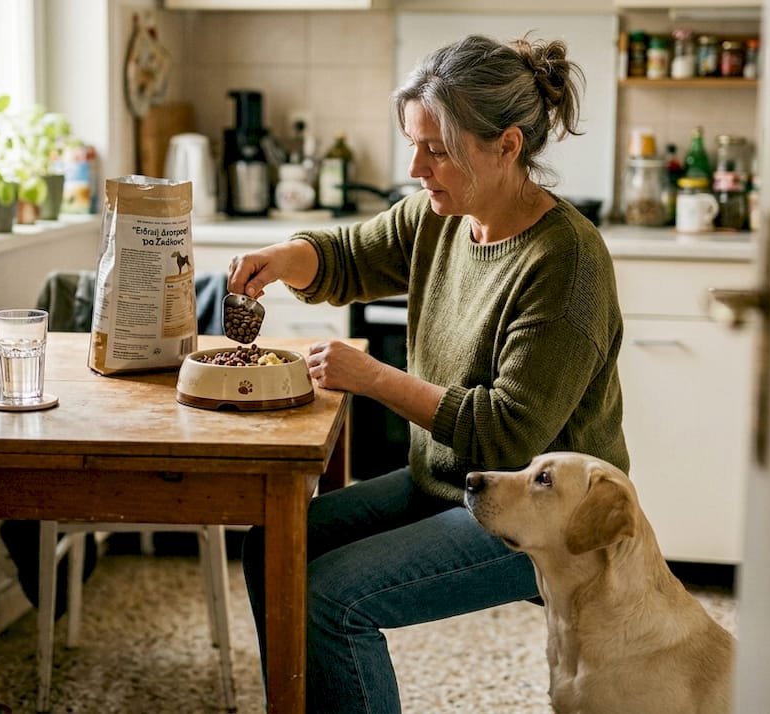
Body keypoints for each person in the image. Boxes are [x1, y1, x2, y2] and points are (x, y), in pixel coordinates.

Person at [228, 34, 630, 712]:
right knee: (273, 546)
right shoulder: (443, 216)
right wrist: (282, 255)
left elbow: (505, 435)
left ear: (506, 145)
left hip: (542, 513)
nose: (416, 166)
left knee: (330, 600)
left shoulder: (566, 264)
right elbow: (350, 255)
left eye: (436, 149)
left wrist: (373, 376)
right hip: (450, 480)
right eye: (413, 144)